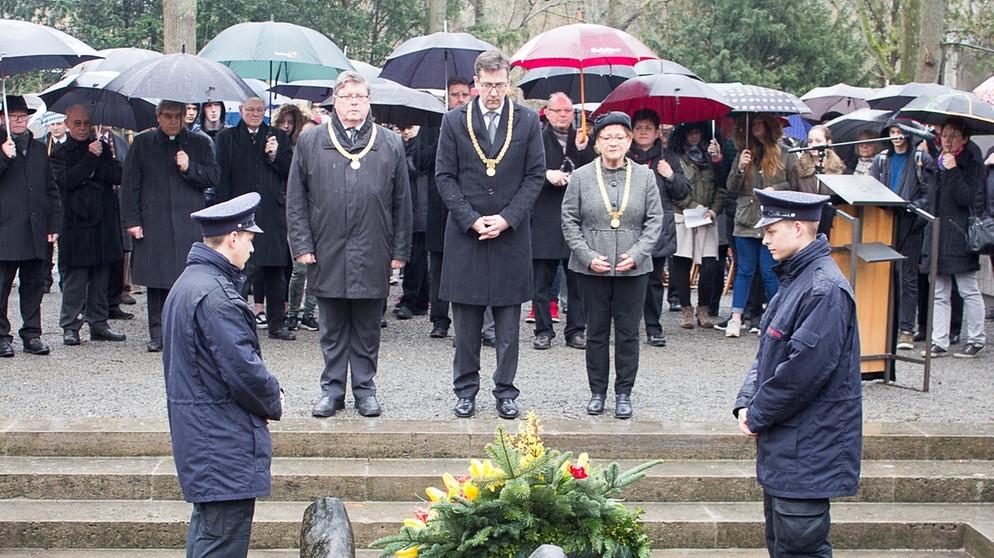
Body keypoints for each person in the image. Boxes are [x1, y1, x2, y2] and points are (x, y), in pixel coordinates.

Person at [734, 189, 862, 558]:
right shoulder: (798, 278)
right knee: (784, 546)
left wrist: (757, 413)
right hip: (790, 447)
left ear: (798, 228)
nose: (765, 238)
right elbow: (768, 352)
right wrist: (746, 401)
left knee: (800, 550)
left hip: (808, 450)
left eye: (772, 231)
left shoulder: (823, 289)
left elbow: (802, 372)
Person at [162, 192, 284, 558]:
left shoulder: (190, 283)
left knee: (209, 535)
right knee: (220, 542)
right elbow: (243, 370)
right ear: (233, 237)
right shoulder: (216, 295)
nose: (250, 248)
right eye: (249, 238)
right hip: (221, 439)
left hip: (205, 435)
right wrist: (274, 397)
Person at [286, 71, 412, 418]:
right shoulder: (311, 141)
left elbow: (402, 200)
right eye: (347, 96)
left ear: (369, 101)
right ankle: (332, 390)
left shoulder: (389, 142)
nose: (354, 102)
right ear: (335, 101)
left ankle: (365, 390)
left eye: (360, 96)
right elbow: (296, 199)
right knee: (332, 326)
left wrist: (400, 251)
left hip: (374, 247)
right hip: (327, 248)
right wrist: (301, 244)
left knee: (368, 327)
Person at [434, 50, 545, 419]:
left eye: (500, 85)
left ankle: (505, 391)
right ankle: (465, 389)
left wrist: (508, 218)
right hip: (466, 235)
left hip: (510, 235)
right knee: (465, 322)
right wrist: (470, 218)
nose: (494, 93)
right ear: (475, 83)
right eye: (487, 85)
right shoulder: (453, 121)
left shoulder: (528, 122)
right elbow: (444, 177)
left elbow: (534, 177)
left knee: (508, 324)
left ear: (508, 83)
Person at [561, 112, 662, 418]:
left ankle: (623, 393)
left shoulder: (645, 177)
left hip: (633, 267)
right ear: (597, 143)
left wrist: (640, 252)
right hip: (593, 266)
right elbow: (569, 220)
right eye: (607, 137)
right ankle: (597, 391)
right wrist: (587, 256)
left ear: (629, 140)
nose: (613, 142)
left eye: (620, 136)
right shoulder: (580, 177)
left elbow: (655, 220)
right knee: (596, 331)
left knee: (629, 333)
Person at [121, 100, 219, 352]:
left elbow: (212, 177)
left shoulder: (199, 143)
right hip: (154, 219)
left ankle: (188, 331)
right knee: (157, 279)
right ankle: (158, 332)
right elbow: (130, 184)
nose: (173, 121)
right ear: (158, 117)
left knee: (188, 279)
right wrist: (132, 220)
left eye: (178, 116)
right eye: (168, 116)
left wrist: (190, 167)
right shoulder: (143, 143)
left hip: (188, 219)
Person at [215, 97, 296, 341]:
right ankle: (234, 322)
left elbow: (291, 172)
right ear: (241, 111)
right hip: (241, 211)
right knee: (242, 270)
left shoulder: (278, 137)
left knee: (275, 271)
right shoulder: (226, 138)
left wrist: (275, 155)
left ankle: (277, 323)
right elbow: (222, 177)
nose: (255, 114)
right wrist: (224, 212)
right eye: (250, 109)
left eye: (260, 110)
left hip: (271, 211)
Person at [50, 105, 127, 345]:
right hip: (76, 222)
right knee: (76, 277)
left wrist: (99, 158)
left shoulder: (102, 147)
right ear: (68, 123)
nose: (83, 128)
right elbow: (67, 180)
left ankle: (98, 322)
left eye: (86, 123)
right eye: (78, 123)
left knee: (101, 275)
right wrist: (90, 160)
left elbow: (117, 175)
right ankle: (70, 325)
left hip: (103, 219)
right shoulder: (59, 153)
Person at [725, 113, 801, 337]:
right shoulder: (745, 153)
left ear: (769, 126)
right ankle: (736, 317)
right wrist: (740, 168)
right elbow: (731, 187)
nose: (756, 127)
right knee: (744, 271)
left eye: (760, 123)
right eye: (753, 123)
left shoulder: (784, 153)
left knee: (769, 272)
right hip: (746, 219)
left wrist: (776, 190)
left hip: (773, 218)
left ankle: (778, 318)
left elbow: (796, 185)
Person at [0, 95, 62, 357]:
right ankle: (2, 335)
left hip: (36, 228)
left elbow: (51, 189)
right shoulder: (3, 146)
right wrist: (4, 158)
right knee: (2, 286)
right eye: (13, 115)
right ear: (3, 118)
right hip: (6, 229)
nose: (19, 119)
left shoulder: (38, 149)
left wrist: (54, 222)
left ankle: (32, 333)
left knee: (34, 284)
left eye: (23, 115)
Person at [531, 92, 593, 350]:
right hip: (544, 214)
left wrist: (584, 150)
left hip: (575, 217)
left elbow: (594, 169)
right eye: (557, 111)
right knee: (541, 281)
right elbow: (527, 169)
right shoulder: (536, 138)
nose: (563, 115)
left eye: (567, 111)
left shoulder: (582, 138)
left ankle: (576, 330)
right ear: (547, 112)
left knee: (577, 279)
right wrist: (547, 174)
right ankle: (543, 330)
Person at [922, 118, 986, 358]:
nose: (947, 140)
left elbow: (967, 197)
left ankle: (976, 338)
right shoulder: (936, 159)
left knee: (967, 287)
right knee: (938, 290)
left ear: (965, 139)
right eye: (945, 134)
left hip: (958, 233)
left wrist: (953, 170)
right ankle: (939, 340)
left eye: (954, 135)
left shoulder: (971, 160)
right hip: (937, 230)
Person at [627, 109, 691, 347]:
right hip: (628, 225)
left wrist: (670, 175)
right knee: (628, 279)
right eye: (638, 128)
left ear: (657, 133)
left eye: (648, 128)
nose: (643, 133)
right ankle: (628, 326)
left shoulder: (668, 158)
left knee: (654, 280)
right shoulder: (624, 155)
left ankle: (653, 327)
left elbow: (683, 192)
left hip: (658, 227)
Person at [869, 122, 934, 350]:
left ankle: (906, 328)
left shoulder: (920, 159)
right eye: (892, 132)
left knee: (907, 277)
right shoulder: (881, 159)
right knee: (883, 273)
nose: (896, 137)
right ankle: (883, 325)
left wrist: (913, 207)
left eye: (900, 132)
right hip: (885, 220)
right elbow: (871, 187)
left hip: (910, 221)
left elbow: (929, 194)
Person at [423, 77, 473, 339]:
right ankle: (439, 319)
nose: (460, 99)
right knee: (439, 268)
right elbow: (420, 160)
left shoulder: (476, 125)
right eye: (455, 94)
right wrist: (441, 138)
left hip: (469, 209)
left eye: (465, 94)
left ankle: (468, 322)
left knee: (468, 267)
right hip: (439, 208)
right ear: (447, 96)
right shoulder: (433, 124)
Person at [669, 122, 726, 329]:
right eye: (689, 133)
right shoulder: (675, 157)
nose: (693, 137)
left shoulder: (712, 156)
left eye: (697, 132)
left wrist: (713, 210)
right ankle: (686, 308)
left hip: (708, 215)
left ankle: (703, 308)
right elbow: (673, 188)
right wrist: (692, 206)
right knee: (681, 263)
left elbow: (723, 186)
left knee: (710, 264)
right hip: (683, 214)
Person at [393, 124, 431, 320]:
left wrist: (412, 141)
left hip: (419, 202)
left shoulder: (425, 141)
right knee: (418, 254)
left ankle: (411, 299)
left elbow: (415, 166)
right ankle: (420, 299)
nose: (405, 131)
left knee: (415, 254)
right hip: (414, 201)